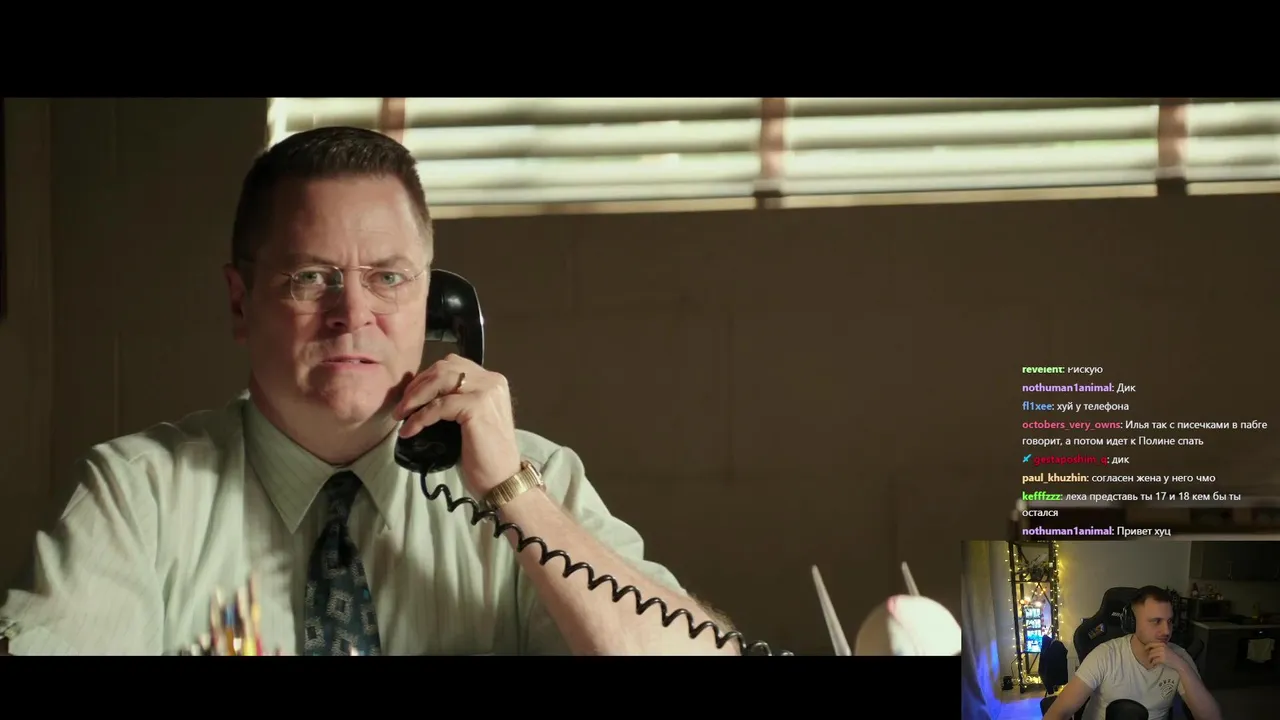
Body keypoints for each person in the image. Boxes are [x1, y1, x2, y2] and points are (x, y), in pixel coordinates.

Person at [0, 126, 738, 656]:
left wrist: (516, 500)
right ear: (239, 302)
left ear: (437, 305)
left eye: (388, 277)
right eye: (310, 277)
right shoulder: (136, 498)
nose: (352, 313)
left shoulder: (534, 478)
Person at [1044, 586, 1221, 720]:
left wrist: (1181, 667)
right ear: (1133, 623)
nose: (1166, 631)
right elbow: (1059, 712)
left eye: (1169, 621)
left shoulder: (1178, 657)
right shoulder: (1105, 656)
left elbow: (1212, 717)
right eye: (1156, 621)